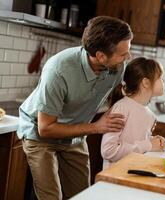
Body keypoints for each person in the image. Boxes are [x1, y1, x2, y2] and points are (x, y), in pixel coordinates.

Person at [17, 16, 133, 200]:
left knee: (81, 196)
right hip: (40, 134)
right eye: (123, 54)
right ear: (101, 56)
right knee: (51, 197)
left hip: (75, 134)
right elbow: (45, 128)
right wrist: (96, 127)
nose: (128, 57)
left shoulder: (117, 67)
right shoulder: (59, 70)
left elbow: (118, 95)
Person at [101, 57, 165, 168]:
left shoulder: (149, 115)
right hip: (114, 179)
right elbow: (109, 151)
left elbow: (133, 140)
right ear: (146, 82)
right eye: (160, 77)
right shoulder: (122, 108)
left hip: (133, 174)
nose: (163, 81)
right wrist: (149, 145)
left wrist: (153, 141)